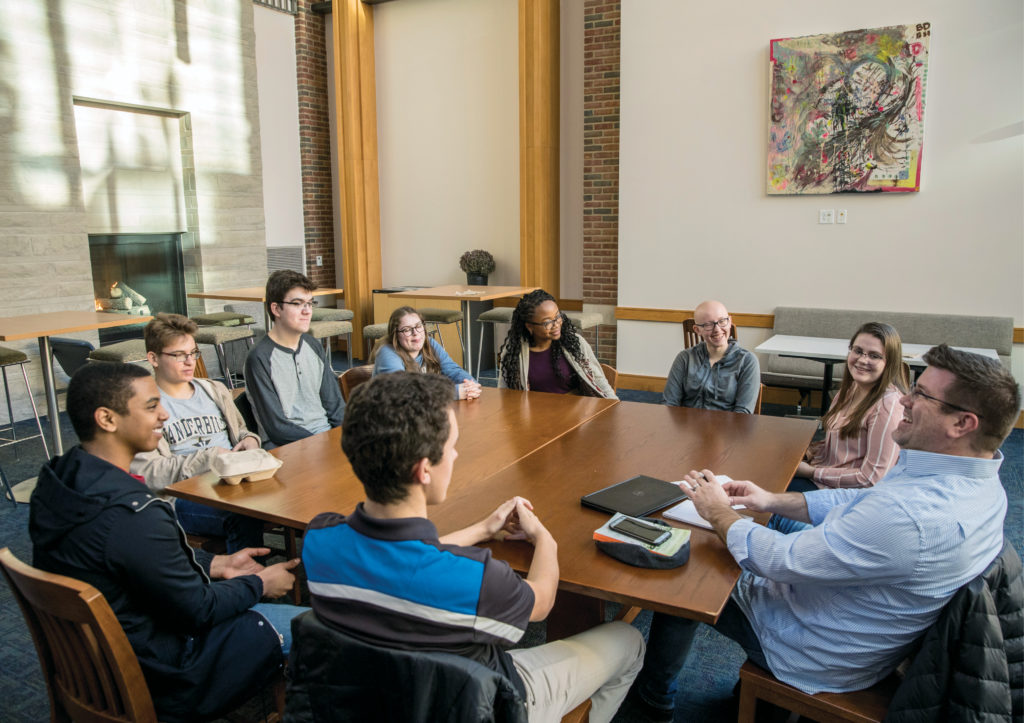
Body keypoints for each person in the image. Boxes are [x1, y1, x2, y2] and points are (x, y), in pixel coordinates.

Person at [631, 344, 1019, 720]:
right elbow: (859, 503)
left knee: (689, 574)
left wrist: (716, 510)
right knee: (762, 521)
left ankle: (652, 703)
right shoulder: (977, 482)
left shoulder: (909, 518)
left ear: (962, 423)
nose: (903, 400)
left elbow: (778, 560)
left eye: (920, 394)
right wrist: (770, 501)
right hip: (859, 615)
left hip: (813, 647)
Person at [300, 373, 643, 722]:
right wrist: (544, 538)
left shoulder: (318, 541)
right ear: (424, 471)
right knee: (629, 640)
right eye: (451, 447)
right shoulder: (477, 580)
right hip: (489, 703)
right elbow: (541, 602)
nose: (456, 454)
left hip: (369, 702)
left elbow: (396, 554)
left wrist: (481, 529)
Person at [29, 363, 305, 723]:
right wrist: (258, 583)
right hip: (168, 671)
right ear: (107, 419)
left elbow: (127, 562)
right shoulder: (136, 513)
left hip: (96, 664)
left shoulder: (56, 481)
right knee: (319, 629)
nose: (163, 415)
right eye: (150, 407)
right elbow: (199, 610)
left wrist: (214, 565)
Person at [130, 313, 266, 552]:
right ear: (153, 358)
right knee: (245, 513)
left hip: (235, 480)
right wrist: (209, 458)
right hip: (187, 498)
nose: (190, 361)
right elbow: (148, 473)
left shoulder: (214, 389)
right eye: (179, 355)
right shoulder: (145, 407)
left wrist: (251, 441)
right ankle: (253, 585)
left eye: (193, 353)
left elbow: (242, 432)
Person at [792, 321, 907, 491]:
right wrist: (806, 454)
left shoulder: (888, 405)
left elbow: (873, 478)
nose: (862, 360)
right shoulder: (850, 389)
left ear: (889, 362)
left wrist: (812, 472)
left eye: (874, 356)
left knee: (762, 498)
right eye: (858, 351)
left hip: (846, 495)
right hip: (822, 478)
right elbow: (839, 444)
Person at [244, 269, 345, 447]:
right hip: (286, 447)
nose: (307, 311)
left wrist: (346, 437)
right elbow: (277, 427)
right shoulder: (259, 358)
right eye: (298, 303)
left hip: (325, 436)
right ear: (276, 308)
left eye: (310, 303)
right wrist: (324, 445)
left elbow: (335, 406)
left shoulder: (313, 345)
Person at [498, 289, 617, 399]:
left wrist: (614, 404)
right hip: (536, 415)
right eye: (547, 322)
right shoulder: (514, 352)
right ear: (530, 326)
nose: (556, 324)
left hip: (576, 411)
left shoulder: (575, 343)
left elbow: (598, 380)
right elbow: (505, 394)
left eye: (558, 316)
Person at [662, 300, 760, 413]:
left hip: (727, 428)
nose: (717, 330)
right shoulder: (685, 358)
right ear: (697, 330)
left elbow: (743, 414)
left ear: (730, 322)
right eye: (708, 325)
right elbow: (669, 404)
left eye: (722, 321)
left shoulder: (747, 361)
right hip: (687, 427)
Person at [372, 305, 482, 400]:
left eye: (418, 326)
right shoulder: (387, 353)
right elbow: (401, 392)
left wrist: (470, 385)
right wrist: (454, 392)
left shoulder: (429, 343)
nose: (415, 333)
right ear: (395, 334)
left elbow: (452, 370)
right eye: (406, 329)